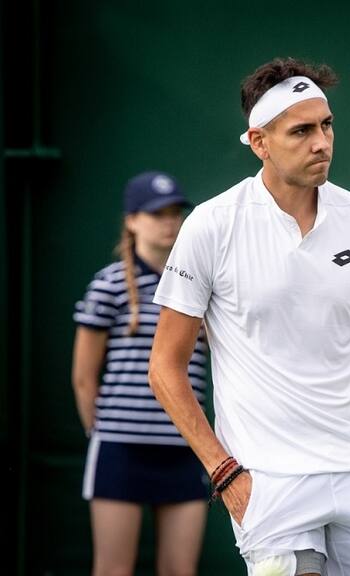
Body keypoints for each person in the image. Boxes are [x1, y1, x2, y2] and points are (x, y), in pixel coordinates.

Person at [148, 57, 350, 576]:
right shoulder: (211, 226)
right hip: (270, 480)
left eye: (326, 125)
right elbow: (165, 368)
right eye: (301, 131)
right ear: (259, 141)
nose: (321, 142)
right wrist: (224, 472)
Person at [71, 171, 209, 576]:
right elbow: (83, 377)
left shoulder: (199, 287)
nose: (168, 222)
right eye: (155, 214)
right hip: (120, 450)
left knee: (179, 570)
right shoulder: (108, 285)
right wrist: (102, 433)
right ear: (132, 221)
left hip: (185, 450)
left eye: (174, 213)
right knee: (114, 569)